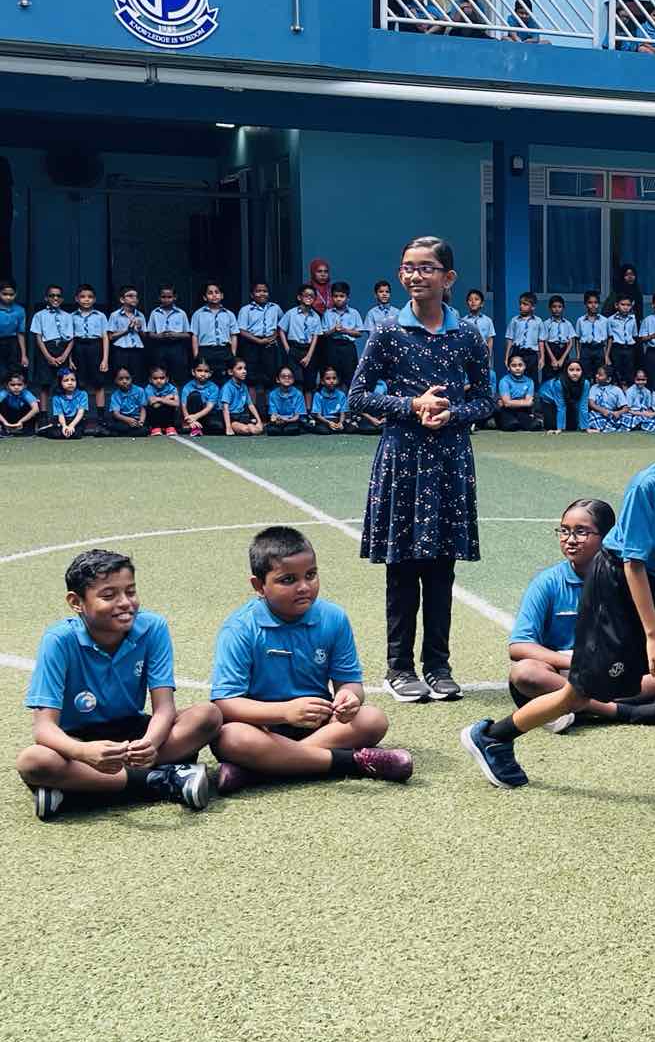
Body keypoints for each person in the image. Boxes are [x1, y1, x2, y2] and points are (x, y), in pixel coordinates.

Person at [461, 394, 655, 822]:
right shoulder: (646, 487)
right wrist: (654, 635)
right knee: (579, 693)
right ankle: (495, 736)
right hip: (617, 584)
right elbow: (633, 562)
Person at [347, 235, 495, 703]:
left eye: (427, 268)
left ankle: (438, 664)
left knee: (441, 569)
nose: (415, 275)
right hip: (403, 460)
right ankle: (399, 667)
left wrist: (455, 413)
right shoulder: (388, 333)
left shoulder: (467, 335)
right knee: (402, 567)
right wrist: (412, 404)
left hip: (450, 460)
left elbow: (487, 399)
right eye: (408, 267)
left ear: (448, 278)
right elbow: (358, 397)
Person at [209, 527, 413, 794]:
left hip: (318, 725)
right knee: (230, 737)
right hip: (262, 727)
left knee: (373, 720)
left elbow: (350, 683)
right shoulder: (240, 628)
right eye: (288, 580)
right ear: (259, 586)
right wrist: (285, 711)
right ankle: (352, 763)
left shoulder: (334, 618)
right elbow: (225, 703)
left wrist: (349, 699)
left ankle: (260, 769)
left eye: (311, 575)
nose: (304, 587)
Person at [18, 550, 218, 820]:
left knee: (207, 716)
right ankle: (160, 781)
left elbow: (164, 709)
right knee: (34, 761)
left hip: (133, 735)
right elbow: (44, 728)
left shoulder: (153, 627)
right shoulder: (58, 640)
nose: (125, 603)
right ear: (76, 602)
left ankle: (75, 792)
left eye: (131, 592)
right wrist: (83, 752)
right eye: (109, 595)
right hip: (79, 739)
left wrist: (150, 744)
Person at [507, 499, 655, 731]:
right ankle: (623, 712)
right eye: (564, 531)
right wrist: (575, 662)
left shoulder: (631, 580)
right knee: (525, 673)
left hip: (618, 668)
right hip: (565, 671)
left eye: (581, 532)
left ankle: (568, 710)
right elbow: (519, 646)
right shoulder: (548, 582)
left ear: (607, 537)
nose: (570, 539)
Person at [236, 282, 283, 402]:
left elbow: (282, 325)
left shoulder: (275, 308)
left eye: (265, 291)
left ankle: (269, 411)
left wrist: (274, 335)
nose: (262, 293)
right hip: (251, 345)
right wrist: (258, 340)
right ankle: (253, 412)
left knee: (270, 378)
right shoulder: (246, 310)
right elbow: (241, 330)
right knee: (251, 379)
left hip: (269, 345)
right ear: (252, 294)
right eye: (258, 291)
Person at [279, 284, 323, 401]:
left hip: (309, 349)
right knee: (295, 380)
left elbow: (315, 337)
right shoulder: (291, 313)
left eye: (312, 296)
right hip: (294, 347)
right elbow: (282, 330)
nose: (309, 298)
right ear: (299, 297)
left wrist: (309, 355)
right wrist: (287, 348)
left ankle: (307, 411)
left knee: (309, 382)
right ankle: (297, 410)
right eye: (306, 295)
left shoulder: (316, 317)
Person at [28, 285, 72, 399]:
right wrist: (48, 357)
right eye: (52, 296)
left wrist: (64, 355)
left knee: (64, 382)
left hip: (63, 349)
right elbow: (38, 337)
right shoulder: (39, 315)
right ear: (46, 298)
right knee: (45, 383)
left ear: (62, 299)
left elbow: (71, 338)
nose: (55, 298)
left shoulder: (68, 316)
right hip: (46, 349)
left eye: (58, 296)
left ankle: (63, 413)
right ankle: (43, 414)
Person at [190, 281, 237, 380]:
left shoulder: (229, 314)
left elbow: (234, 335)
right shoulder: (198, 314)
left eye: (217, 292)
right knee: (205, 378)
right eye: (210, 293)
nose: (214, 295)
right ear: (205, 297)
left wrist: (233, 353)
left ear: (222, 295)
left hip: (224, 350)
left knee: (225, 379)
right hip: (206, 350)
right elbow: (195, 335)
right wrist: (196, 354)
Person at [322, 282, 365, 387]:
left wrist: (345, 330)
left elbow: (359, 333)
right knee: (333, 376)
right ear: (332, 297)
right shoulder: (327, 313)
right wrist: (334, 330)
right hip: (332, 346)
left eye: (342, 296)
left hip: (348, 347)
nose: (338, 299)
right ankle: (335, 401)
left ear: (347, 298)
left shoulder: (354, 313)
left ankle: (349, 402)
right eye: (335, 296)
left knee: (350, 377)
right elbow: (323, 334)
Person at [146, 285, 191, 384]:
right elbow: (150, 333)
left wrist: (176, 335)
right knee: (160, 373)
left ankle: (176, 396)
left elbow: (188, 334)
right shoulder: (155, 313)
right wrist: (160, 336)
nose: (166, 300)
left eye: (169, 297)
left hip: (176, 347)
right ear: (159, 298)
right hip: (160, 347)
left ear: (175, 297)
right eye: (163, 297)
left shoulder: (181, 313)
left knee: (178, 373)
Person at [540, 359, 591, 433]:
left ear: (582, 371)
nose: (575, 373)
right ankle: (540, 418)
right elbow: (561, 406)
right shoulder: (559, 383)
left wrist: (586, 428)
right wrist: (559, 429)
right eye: (571, 370)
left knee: (572, 427)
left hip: (567, 400)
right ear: (566, 371)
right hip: (548, 398)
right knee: (551, 426)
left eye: (578, 370)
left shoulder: (586, 383)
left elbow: (583, 405)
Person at [40, 369, 92, 440]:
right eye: (66, 380)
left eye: (73, 380)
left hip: (77, 420)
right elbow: (60, 415)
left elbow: (80, 413)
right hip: (62, 420)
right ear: (60, 383)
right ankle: (46, 428)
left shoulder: (83, 394)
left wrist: (71, 426)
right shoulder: (57, 397)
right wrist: (64, 426)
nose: (70, 383)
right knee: (56, 434)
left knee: (76, 434)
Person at [220, 358, 264, 435]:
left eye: (245, 368)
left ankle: (251, 425)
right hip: (231, 418)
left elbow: (250, 405)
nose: (244, 371)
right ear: (230, 372)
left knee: (259, 429)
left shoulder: (244, 386)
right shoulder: (227, 387)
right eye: (239, 369)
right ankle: (248, 426)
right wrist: (228, 427)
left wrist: (259, 421)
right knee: (247, 430)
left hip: (241, 416)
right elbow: (225, 408)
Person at [496, 353, 539, 431]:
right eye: (514, 365)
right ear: (509, 367)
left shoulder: (530, 381)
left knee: (535, 426)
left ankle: (520, 422)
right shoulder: (504, 381)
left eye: (520, 365)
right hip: (507, 411)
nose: (517, 368)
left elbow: (529, 403)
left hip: (522, 410)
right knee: (511, 426)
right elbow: (506, 404)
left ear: (525, 366)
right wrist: (524, 402)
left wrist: (510, 402)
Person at [181, 360, 224, 436]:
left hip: (206, 415)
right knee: (195, 395)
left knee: (218, 427)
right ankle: (193, 426)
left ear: (210, 373)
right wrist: (190, 420)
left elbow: (209, 407)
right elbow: (184, 406)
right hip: (191, 413)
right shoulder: (188, 386)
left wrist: (195, 417)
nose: (203, 374)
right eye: (199, 370)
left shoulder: (214, 387)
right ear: (193, 372)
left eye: (206, 371)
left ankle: (196, 427)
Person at [102, 367, 147, 437]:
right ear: (115, 380)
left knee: (144, 430)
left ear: (132, 378)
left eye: (127, 378)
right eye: (121, 379)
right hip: (122, 420)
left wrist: (141, 422)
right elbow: (116, 414)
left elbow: (143, 409)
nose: (124, 381)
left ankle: (117, 434)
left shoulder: (140, 391)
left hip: (136, 420)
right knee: (111, 424)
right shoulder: (115, 395)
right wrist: (128, 420)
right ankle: (124, 433)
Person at [266, 365, 310, 435]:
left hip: (293, 421)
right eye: (283, 376)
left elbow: (297, 416)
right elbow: (273, 415)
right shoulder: (272, 394)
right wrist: (276, 419)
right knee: (272, 430)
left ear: (293, 379)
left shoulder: (298, 394)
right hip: (279, 421)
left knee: (292, 429)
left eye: (290, 376)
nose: (287, 378)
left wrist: (286, 420)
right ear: (277, 379)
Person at [143, 365, 181, 436]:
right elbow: (155, 405)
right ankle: (155, 427)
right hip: (155, 416)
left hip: (168, 416)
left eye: (162, 378)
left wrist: (159, 399)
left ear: (167, 379)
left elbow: (177, 403)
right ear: (150, 380)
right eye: (155, 378)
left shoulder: (172, 388)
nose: (159, 381)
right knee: (151, 408)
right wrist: (167, 398)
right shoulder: (148, 388)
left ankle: (169, 427)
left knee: (170, 407)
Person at [0, 370, 40, 436]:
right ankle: (4, 429)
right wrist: (5, 422)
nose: (16, 387)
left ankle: (27, 429)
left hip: (22, 417)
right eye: (12, 385)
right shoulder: (4, 393)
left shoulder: (26, 393)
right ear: (7, 386)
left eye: (19, 384)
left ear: (25, 386)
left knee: (34, 405)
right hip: (8, 416)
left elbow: (36, 409)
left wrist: (21, 421)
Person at [310, 366, 349, 433]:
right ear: (322, 381)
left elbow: (343, 413)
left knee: (351, 428)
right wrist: (329, 423)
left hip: (337, 419)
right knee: (323, 430)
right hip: (324, 420)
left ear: (337, 380)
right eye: (328, 378)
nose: (331, 381)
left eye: (334, 378)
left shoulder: (341, 395)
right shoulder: (318, 395)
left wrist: (341, 422)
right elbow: (317, 415)